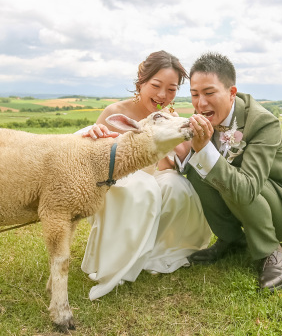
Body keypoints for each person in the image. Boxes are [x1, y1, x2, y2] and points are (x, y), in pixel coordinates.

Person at [79, 50, 211, 300]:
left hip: (153, 178)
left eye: (171, 89)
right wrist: (94, 134)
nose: (163, 95)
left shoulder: (170, 119)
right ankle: (118, 260)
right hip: (116, 185)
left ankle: (158, 253)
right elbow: (93, 158)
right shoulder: (114, 112)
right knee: (142, 186)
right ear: (141, 81)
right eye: (156, 85)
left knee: (177, 186)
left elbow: (176, 161)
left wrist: (189, 135)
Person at [176, 52, 282, 291]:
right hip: (244, 193)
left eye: (209, 93)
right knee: (198, 171)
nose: (200, 103)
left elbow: (247, 189)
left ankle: (271, 250)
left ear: (231, 92)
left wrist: (205, 149)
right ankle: (232, 239)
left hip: (279, 204)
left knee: (229, 177)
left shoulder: (263, 123)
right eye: (195, 94)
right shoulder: (203, 118)